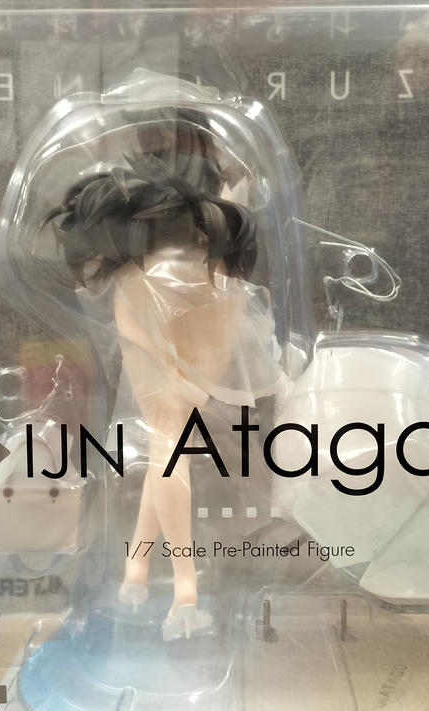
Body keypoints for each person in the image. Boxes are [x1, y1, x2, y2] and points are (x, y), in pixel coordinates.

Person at [45, 114, 283, 639]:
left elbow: (135, 324)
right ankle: (147, 575)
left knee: (166, 450)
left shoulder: (144, 262)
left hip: (164, 324)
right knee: (168, 451)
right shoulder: (216, 252)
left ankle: (179, 587)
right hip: (202, 321)